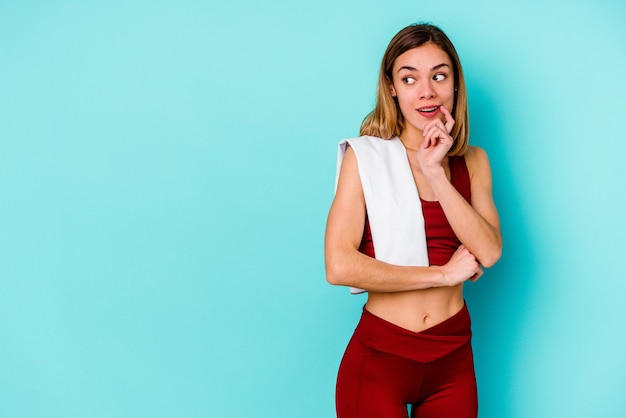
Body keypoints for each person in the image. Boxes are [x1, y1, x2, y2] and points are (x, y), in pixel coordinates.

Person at [324, 23, 502, 418]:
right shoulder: (364, 157)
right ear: (391, 87)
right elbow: (338, 266)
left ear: (455, 84)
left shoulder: (473, 161)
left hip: (452, 359)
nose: (427, 92)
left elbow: (489, 251)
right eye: (409, 78)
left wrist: (436, 170)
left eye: (439, 76)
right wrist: (441, 275)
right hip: (379, 359)